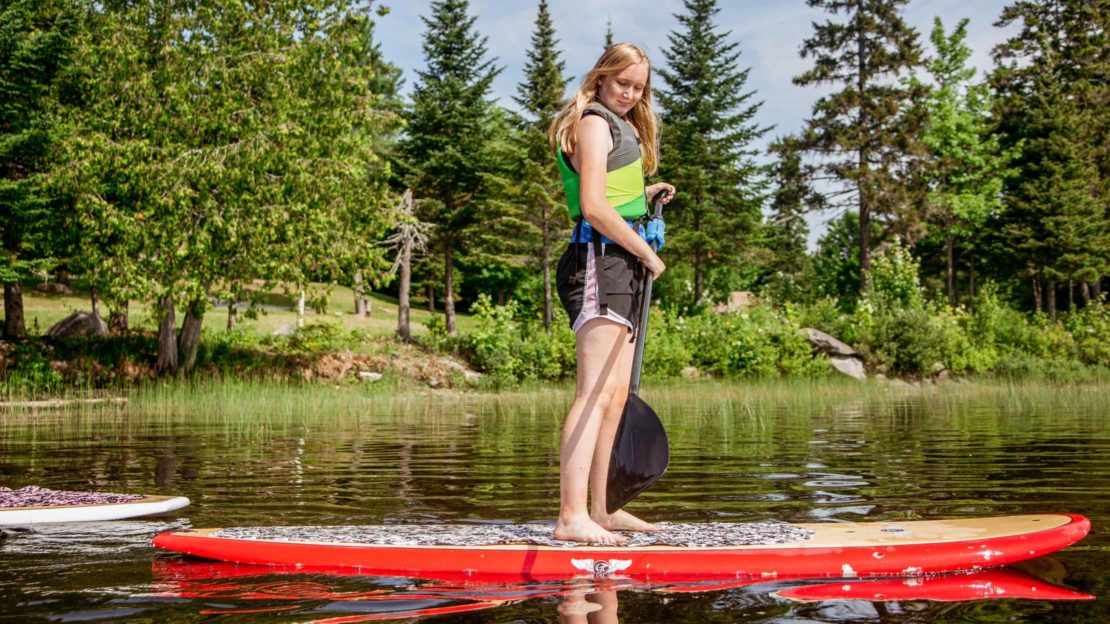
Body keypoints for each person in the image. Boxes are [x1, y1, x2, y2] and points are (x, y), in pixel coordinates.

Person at [547, 43, 675, 544]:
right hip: (600, 263)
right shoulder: (594, 123)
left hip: (618, 265)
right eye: (622, 83)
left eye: (638, 87)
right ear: (601, 77)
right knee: (594, 395)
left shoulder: (618, 128)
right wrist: (645, 249)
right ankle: (570, 516)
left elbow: (615, 197)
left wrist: (646, 195)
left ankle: (601, 510)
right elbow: (594, 206)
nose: (630, 93)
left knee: (617, 396)